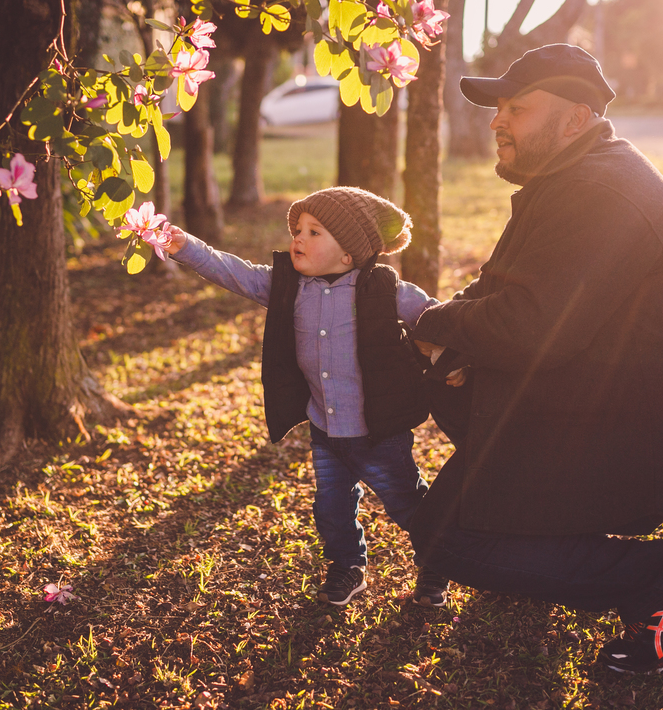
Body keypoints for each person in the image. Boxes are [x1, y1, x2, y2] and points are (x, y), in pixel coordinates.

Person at [409, 44, 663, 674]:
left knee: (450, 538)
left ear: (576, 119)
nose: (498, 121)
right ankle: (548, 551)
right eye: (498, 108)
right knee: (446, 523)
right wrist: (445, 328)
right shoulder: (569, 178)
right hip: (589, 401)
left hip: (638, 434)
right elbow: (498, 288)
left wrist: (435, 326)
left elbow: (533, 329)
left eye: (517, 109)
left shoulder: (603, 192)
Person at [161, 187, 457, 608]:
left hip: (379, 430)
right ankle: (347, 566)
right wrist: (183, 245)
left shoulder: (383, 289)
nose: (298, 238)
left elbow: (437, 318)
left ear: (349, 254)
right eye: (297, 229)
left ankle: (436, 565)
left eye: (314, 232)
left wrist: (455, 357)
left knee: (407, 502)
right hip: (326, 427)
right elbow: (233, 271)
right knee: (331, 508)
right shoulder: (288, 287)